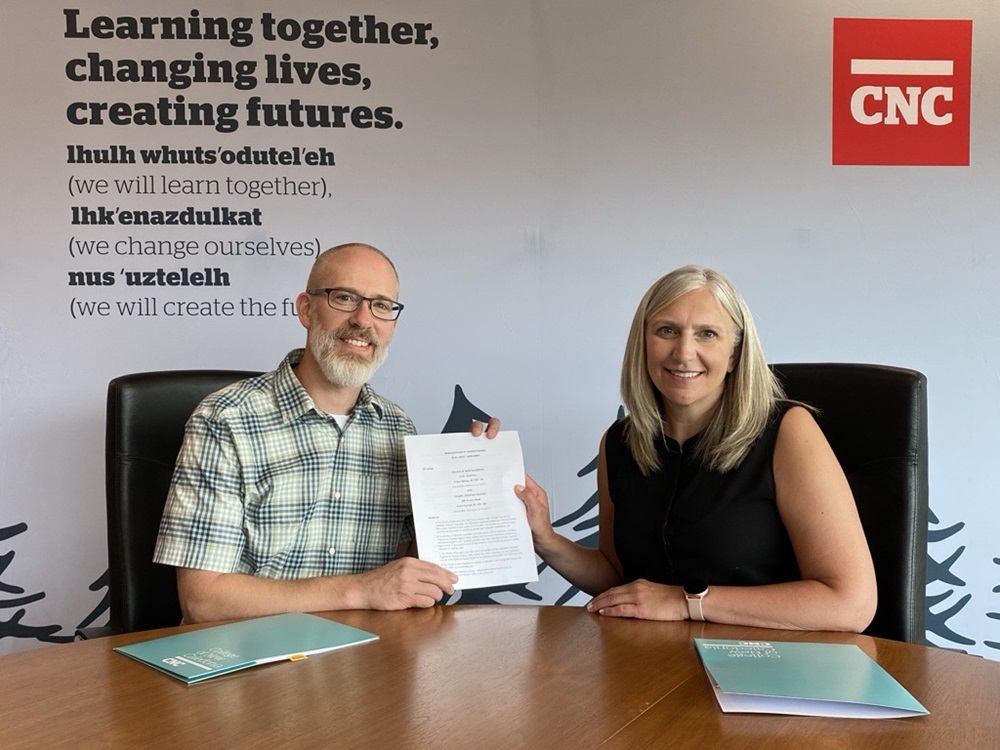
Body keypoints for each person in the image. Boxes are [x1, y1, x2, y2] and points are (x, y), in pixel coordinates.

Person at [515, 265, 877, 632]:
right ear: (643, 344)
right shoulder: (621, 442)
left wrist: (686, 601)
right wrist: (545, 539)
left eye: (707, 334)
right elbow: (621, 580)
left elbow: (850, 604)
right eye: (667, 330)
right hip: (656, 666)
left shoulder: (787, 430)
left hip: (773, 665)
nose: (684, 352)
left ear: (735, 355)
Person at [154, 242, 499, 623]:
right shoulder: (226, 419)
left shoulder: (398, 429)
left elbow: (404, 575)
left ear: (392, 325)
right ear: (306, 309)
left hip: (368, 660)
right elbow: (203, 602)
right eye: (345, 297)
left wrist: (473, 481)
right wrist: (361, 589)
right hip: (252, 665)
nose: (364, 320)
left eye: (381, 305)